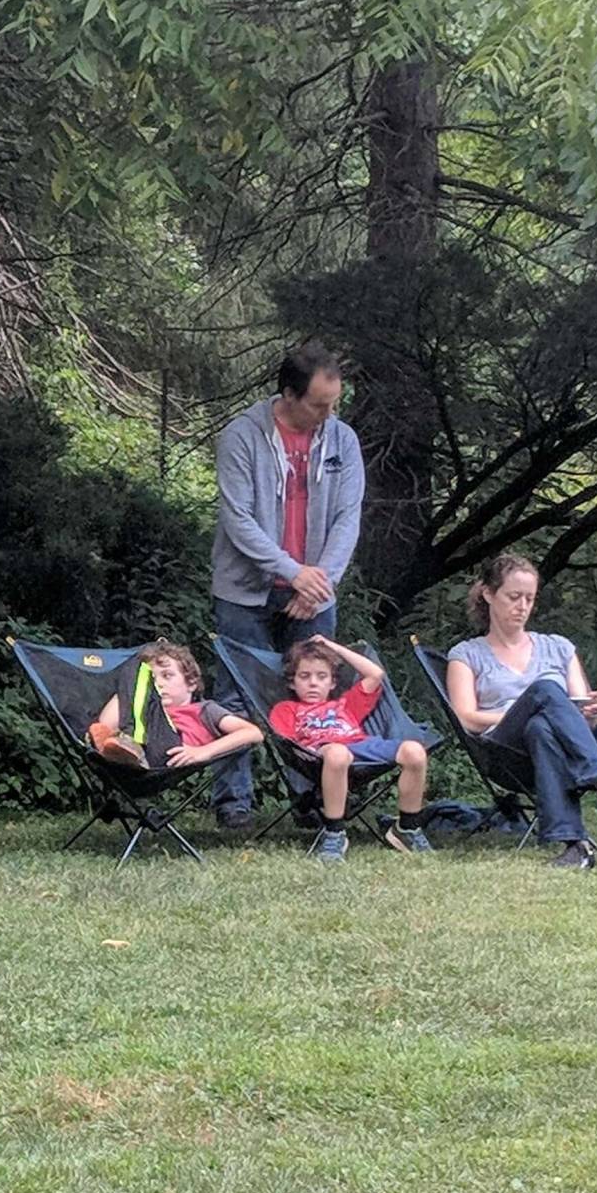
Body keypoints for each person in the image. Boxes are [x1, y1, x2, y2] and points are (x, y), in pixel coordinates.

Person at [210, 342, 364, 829]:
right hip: (245, 591)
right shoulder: (242, 436)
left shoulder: (343, 440)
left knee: (316, 695)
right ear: (289, 394)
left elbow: (347, 519)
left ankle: (312, 802)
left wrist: (316, 582)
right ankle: (234, 804)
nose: (329, 413)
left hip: (313, 594)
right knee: (236, 695)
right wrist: (290, 569)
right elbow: (238, 518)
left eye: (334, 402)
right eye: (319, 404)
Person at [445, 551, 597, 872]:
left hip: (559, 744)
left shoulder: (558, 646)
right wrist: (525, 710)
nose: (522, 606)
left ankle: (575, 847)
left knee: (541, 726)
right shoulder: (466, 654)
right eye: (514, 596)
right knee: (546, 691)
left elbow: (577, 708)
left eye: (530, 598)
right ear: (489, 594)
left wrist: (592, 711)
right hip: (505, 749)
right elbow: (466, 717)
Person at [268, 637, 432, 863]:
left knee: (415, 751)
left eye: (321, 676)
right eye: (304, 676)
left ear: (333, 683)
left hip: (360, 745)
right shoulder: (286, 709)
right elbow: (287, 742)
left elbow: (375, 674)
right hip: (319, 752)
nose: (313, 683)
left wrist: (332, 647)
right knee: (337, 753)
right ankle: (334, 832)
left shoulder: (346, 704)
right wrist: (315, 750)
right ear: (292, 683)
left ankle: (407, 828)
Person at [88, 639, 263, 781]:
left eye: (167, 675)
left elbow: (253, 732)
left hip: (171, 753)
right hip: (137, 760)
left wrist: (204, 751)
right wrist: (129, 692)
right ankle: (129, 747)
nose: (158, 683)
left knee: (134, 667)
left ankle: (134, 743)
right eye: (152, 679)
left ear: (191, 683)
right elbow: (105, 724)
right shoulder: (143, 711)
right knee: (107, 727)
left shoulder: (204, 710)